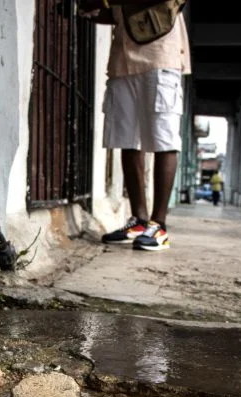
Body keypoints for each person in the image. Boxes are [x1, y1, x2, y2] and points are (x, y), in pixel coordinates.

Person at [81, 0, 190, 251]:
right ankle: (139, 221)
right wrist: (90, 11)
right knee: (126, 139)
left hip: (161, 54)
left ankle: (159, 225)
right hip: (123, 58)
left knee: (164, 139)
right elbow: (118, 14)